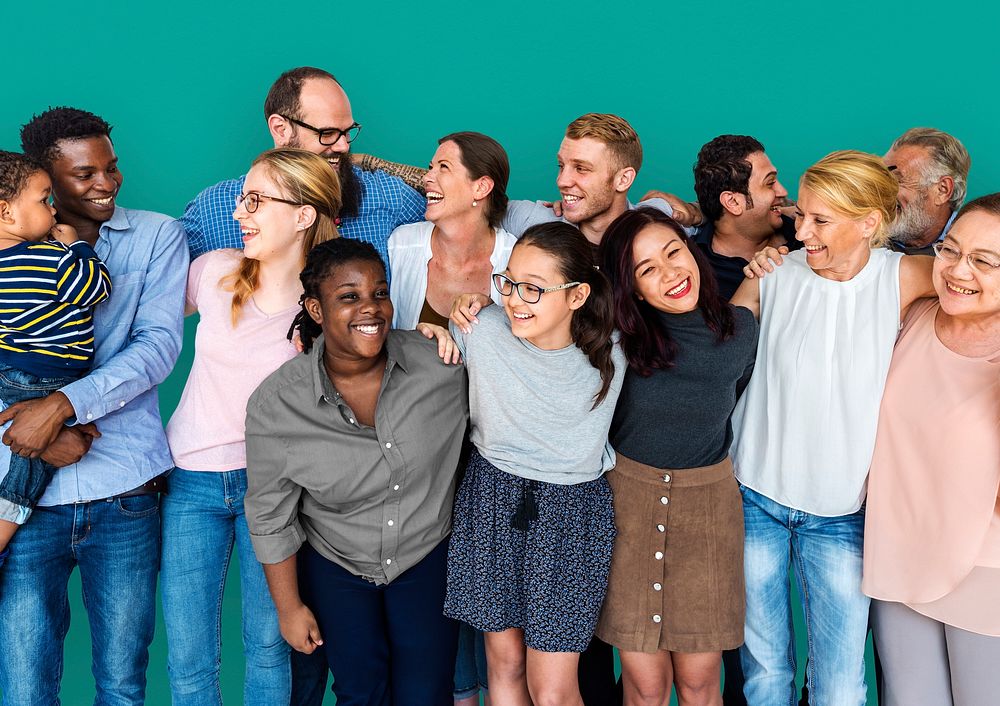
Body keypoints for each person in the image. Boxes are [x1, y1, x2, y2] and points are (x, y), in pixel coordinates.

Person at [729, 150, 934, 705]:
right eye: (801, 217)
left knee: (840, 687)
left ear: (869, 222)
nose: (802, 231)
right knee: (765, 674)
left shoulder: (908, 276)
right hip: (755, 500)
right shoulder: (775, 274)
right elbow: (717, 349)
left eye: (820, 221)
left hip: (842, 513)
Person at [0, 107, 187, 704]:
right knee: (25, 686)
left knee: (123, 684)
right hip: (27, 493)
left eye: (112, 167)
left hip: (125, 490)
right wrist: (32, 428)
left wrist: (60, 407)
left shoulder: (157, 236)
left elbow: (157, 348)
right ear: (45, 181)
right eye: (85, 175)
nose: (106, 183)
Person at [244, 238, 469, 706]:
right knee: (360, 692)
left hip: (425, 555)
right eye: (349, 297)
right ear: (316, 309)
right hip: (337, 562)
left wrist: (477, 312)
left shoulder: (443, 367)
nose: (371, 308)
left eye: (379, 293)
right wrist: (289, 609)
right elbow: (270, 515)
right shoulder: (277, 403)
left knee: (427, 694)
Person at [161, 148, 341, 705]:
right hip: (191, 481)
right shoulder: (212, 271)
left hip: (275, 491)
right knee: (190, 659)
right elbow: (135, 321)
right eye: (243, 199)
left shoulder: (325, 310)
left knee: (268, 648)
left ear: (303, 216)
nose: (241, 212)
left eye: (257, 200)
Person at [446, 222, 626, 706]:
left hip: (573, 513)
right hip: (490, 498)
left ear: (577, 295)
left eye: (534, 289)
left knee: (551, 690)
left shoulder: (614, 350)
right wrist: (438, 323)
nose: (514, 299)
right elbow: (433, 349)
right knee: (504, 665)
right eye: (508, 282)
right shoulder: (479, 329)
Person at [596, 208, 757, 706]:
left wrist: (765, 257)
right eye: (647, 269)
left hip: (709, 512)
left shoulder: (738, 327)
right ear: (630, 287)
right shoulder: (613, 340)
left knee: (700, 684)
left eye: (674, 253)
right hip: (628, 507)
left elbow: (751, 288)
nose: (670, 274)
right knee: (645, 687)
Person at [862, 193, 1000, 705]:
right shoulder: (912, 312)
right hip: (894, 554)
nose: (958, 270)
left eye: (984, 261)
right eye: (950, 250)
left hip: (986, 568)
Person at [183, 66, 425, 272]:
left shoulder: (388, 196)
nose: (343, 146)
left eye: (347, 132)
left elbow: (456, 218)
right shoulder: (214, 210)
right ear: (281, 130)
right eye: (327, 133)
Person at [0, 151, 111, 565]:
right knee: (27, 467)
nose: (52, 208)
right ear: (7, 212)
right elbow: (95, 289)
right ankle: (4, 528)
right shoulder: (50, 258)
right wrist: (76, 246)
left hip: (10, 372)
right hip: (47, 378)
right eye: (44, 199)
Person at [389, 131, 516, 330]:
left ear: (481, 187)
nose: (427, 177)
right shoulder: (400, 244)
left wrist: (492, 311)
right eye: (430, 168)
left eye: (444, 167)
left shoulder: (516, 261)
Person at [691, 135, 800, 301]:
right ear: (733, 202)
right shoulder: (696, 270)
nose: (783, 191)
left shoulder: (807, 232)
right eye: (770, 183)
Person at [883, 128, 971, 255]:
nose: (882, 191)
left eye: (897, 180)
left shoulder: (976, 245)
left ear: (942, 190)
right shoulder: (863, 230)